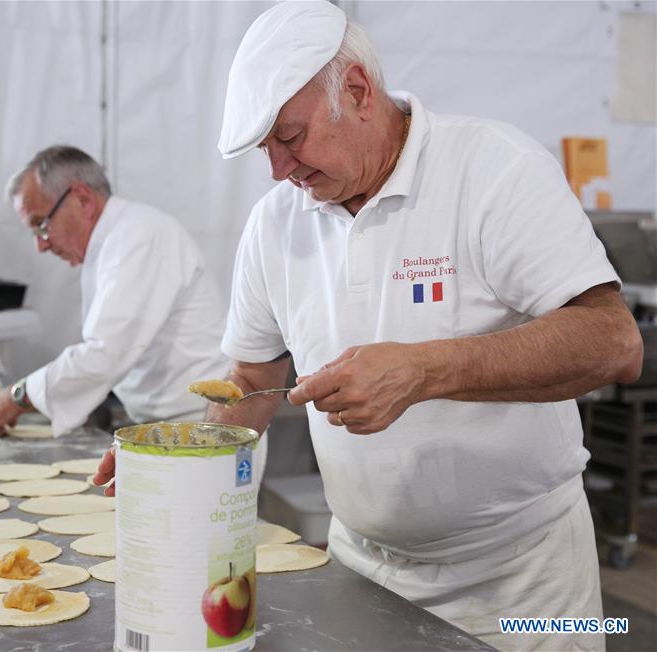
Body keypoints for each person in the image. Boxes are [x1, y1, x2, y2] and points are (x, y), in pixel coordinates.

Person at [96, 3, 643, 650]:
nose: (278, 170)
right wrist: (183, 469)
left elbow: (614, 343)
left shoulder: (494, 171)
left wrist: (424, 369)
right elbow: (251, 379)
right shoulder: (276, 225)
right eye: (264, 149)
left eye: (290, 137)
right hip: (362, 567)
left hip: (524, 581)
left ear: (356, 92)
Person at [0, 145, 231, 438]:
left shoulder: (138, 236)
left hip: (206, 426)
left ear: (83, 200)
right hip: (175, 423)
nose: (41, 245)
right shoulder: (118, 240)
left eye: (41, 226)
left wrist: (21, 395)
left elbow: (106, 352)